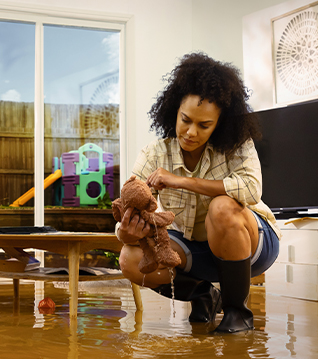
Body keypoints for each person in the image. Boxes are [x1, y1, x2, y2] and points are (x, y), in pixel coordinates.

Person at [115, 52, 281, 333]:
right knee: (129, 260)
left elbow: (252, 189)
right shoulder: (154, 153)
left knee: (222, 207)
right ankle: (202, 294)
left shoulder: (237, 145)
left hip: (251, 244)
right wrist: (127, 232)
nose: (192, 132)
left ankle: (237, 314)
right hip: (191, 248)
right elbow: (126, 217)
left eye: (204, 125)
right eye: (185, 120)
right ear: (173, 111)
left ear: (220, 124)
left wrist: (181, 181)